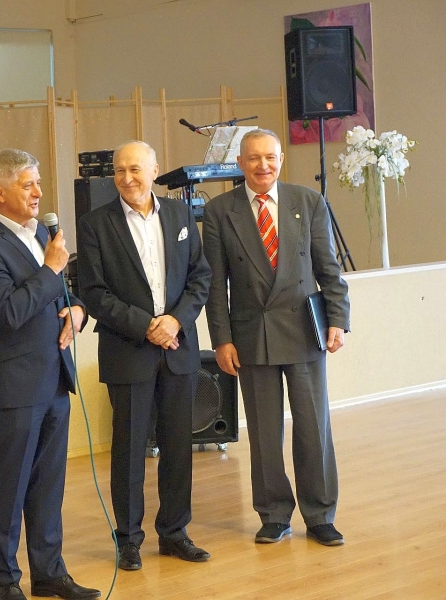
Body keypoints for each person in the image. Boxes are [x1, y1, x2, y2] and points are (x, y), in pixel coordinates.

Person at [0, 149, 100, 600]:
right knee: (10, 489)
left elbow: (62, 292)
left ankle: (49, 573)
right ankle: (5, 582)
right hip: (10, 388)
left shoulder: (40, 232)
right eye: (27, 185)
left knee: (48, 487)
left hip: (53, 378)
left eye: (38, 183)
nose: (38, 192)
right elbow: (10, 312)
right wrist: (51, 269)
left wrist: (77, 310)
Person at [201, 128, 350, 547]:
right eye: (253, 158)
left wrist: (338, 319)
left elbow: (328, 268)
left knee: (313, 427)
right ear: (240, 164)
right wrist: (222, 339)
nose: (262, 165)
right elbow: (215, 286)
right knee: (265, 433)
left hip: (304, 331)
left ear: (281, 159)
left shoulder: (308, 201)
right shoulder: (219, 211)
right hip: (252, 335)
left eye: (270, 157)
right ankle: (273, 514)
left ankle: (320, 515)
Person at [76, 141, 212, 568]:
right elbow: (94, 292)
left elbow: (200, 277)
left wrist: (175, 321)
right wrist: (148, 326)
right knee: (129, 451)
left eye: (135, 169)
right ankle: (129, 539)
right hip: (128, 351)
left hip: (178, 349)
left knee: (178, 448)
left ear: (155, 171)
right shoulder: (95, 224)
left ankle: (174, 532)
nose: (127, 178)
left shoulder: (179, 214)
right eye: (120, 170)